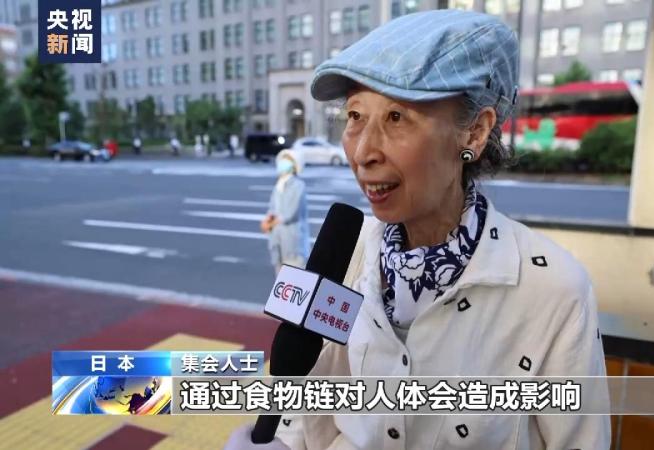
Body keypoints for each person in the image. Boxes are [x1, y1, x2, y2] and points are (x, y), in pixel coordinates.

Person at [226, 10, 609, 450]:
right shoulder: (346, 252)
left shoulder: (554, 289)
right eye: (354, 115)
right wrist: (281, 443)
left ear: (475, 132)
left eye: (396, 117)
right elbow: (308, 399)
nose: (363, 151)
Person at [260, 149, 309, 274]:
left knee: (294, 279)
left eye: (287, 161)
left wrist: (270, 223)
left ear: (294, 165)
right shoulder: (278, 185)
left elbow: (291, 213)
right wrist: (267, 219)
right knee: (280, 283)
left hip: (293, 242)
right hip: (277, 240)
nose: (282, 164)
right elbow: (272, 207)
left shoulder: (298, 185)